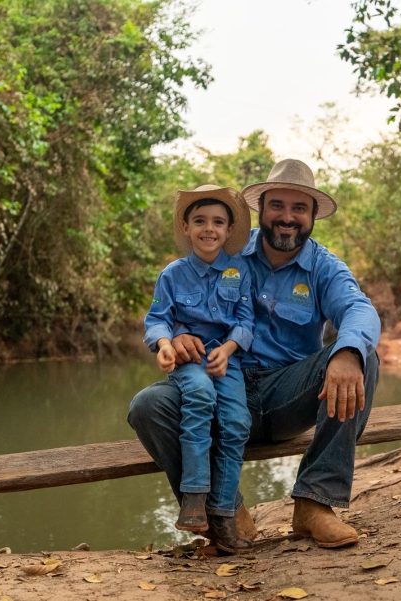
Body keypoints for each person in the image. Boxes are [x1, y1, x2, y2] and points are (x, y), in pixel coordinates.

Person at [129, 159, 380, 550]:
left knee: (360, 357)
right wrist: (177, 337)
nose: (287, 218)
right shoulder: (225, 252)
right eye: (277, 205)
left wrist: (347, 352)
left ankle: (314, 503)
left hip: (287, 392)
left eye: (299, 208)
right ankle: (224, 510)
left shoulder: (323, 267)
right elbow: (175, 306)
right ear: (261, 209)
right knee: (148, 406)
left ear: (313, 216)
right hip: (220, 383)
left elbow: (359, 310)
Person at [142, 184, 254, 553]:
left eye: (218, 222)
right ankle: (193, 495)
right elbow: (157, 318)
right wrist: (163, 346)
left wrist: (229, 348)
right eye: (201, 221)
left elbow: (245, 320)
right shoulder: (172, 275)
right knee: (200, 396)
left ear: (228, 230)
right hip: (188, 359)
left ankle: (222, 513)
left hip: (225, 360)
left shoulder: (239, 272)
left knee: (237, 422)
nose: (210, 228)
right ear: (186, 227)